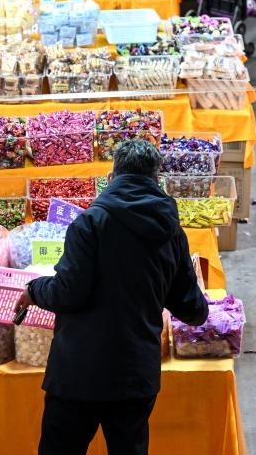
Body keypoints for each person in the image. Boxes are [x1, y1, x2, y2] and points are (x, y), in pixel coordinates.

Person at [15, 140, 209, 455]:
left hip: (80, 373)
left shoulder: (90, 223)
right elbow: (191, 309)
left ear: (111, 175)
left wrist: (34, 290)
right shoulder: (171, 231)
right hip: (135, 374)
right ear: (156, 179)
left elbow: (68, 293)